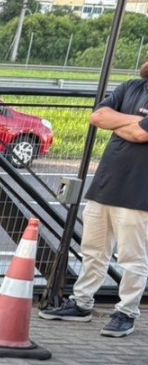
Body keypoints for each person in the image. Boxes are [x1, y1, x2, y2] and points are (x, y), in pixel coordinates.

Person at [39, 62, 148, 338]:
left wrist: (119, 121)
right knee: (93, 249)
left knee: (132, 257)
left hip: (139, 192)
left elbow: (141, 134)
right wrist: (132, 121)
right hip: (105, 185)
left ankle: (126, 312)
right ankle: (82, 303)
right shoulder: (132, 87)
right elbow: (98, 117)